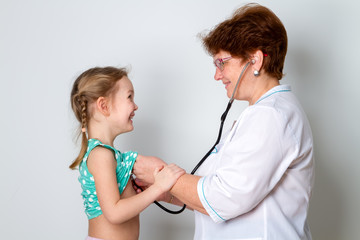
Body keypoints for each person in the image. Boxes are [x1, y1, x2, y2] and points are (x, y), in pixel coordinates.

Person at [133, 3, 315, 240]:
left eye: (222, 62)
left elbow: (225, 198)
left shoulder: (271, 116)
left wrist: (160, 175)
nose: (217, 75)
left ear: (255, 60)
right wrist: (164, 192)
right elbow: (219, 193)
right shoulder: (264, 115)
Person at [69, 66, 185, 240]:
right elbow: (114, 213)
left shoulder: (108, 154)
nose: (136, 105)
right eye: (129, 97)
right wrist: (158, 187)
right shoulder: (100, 155)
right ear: (104, 105)